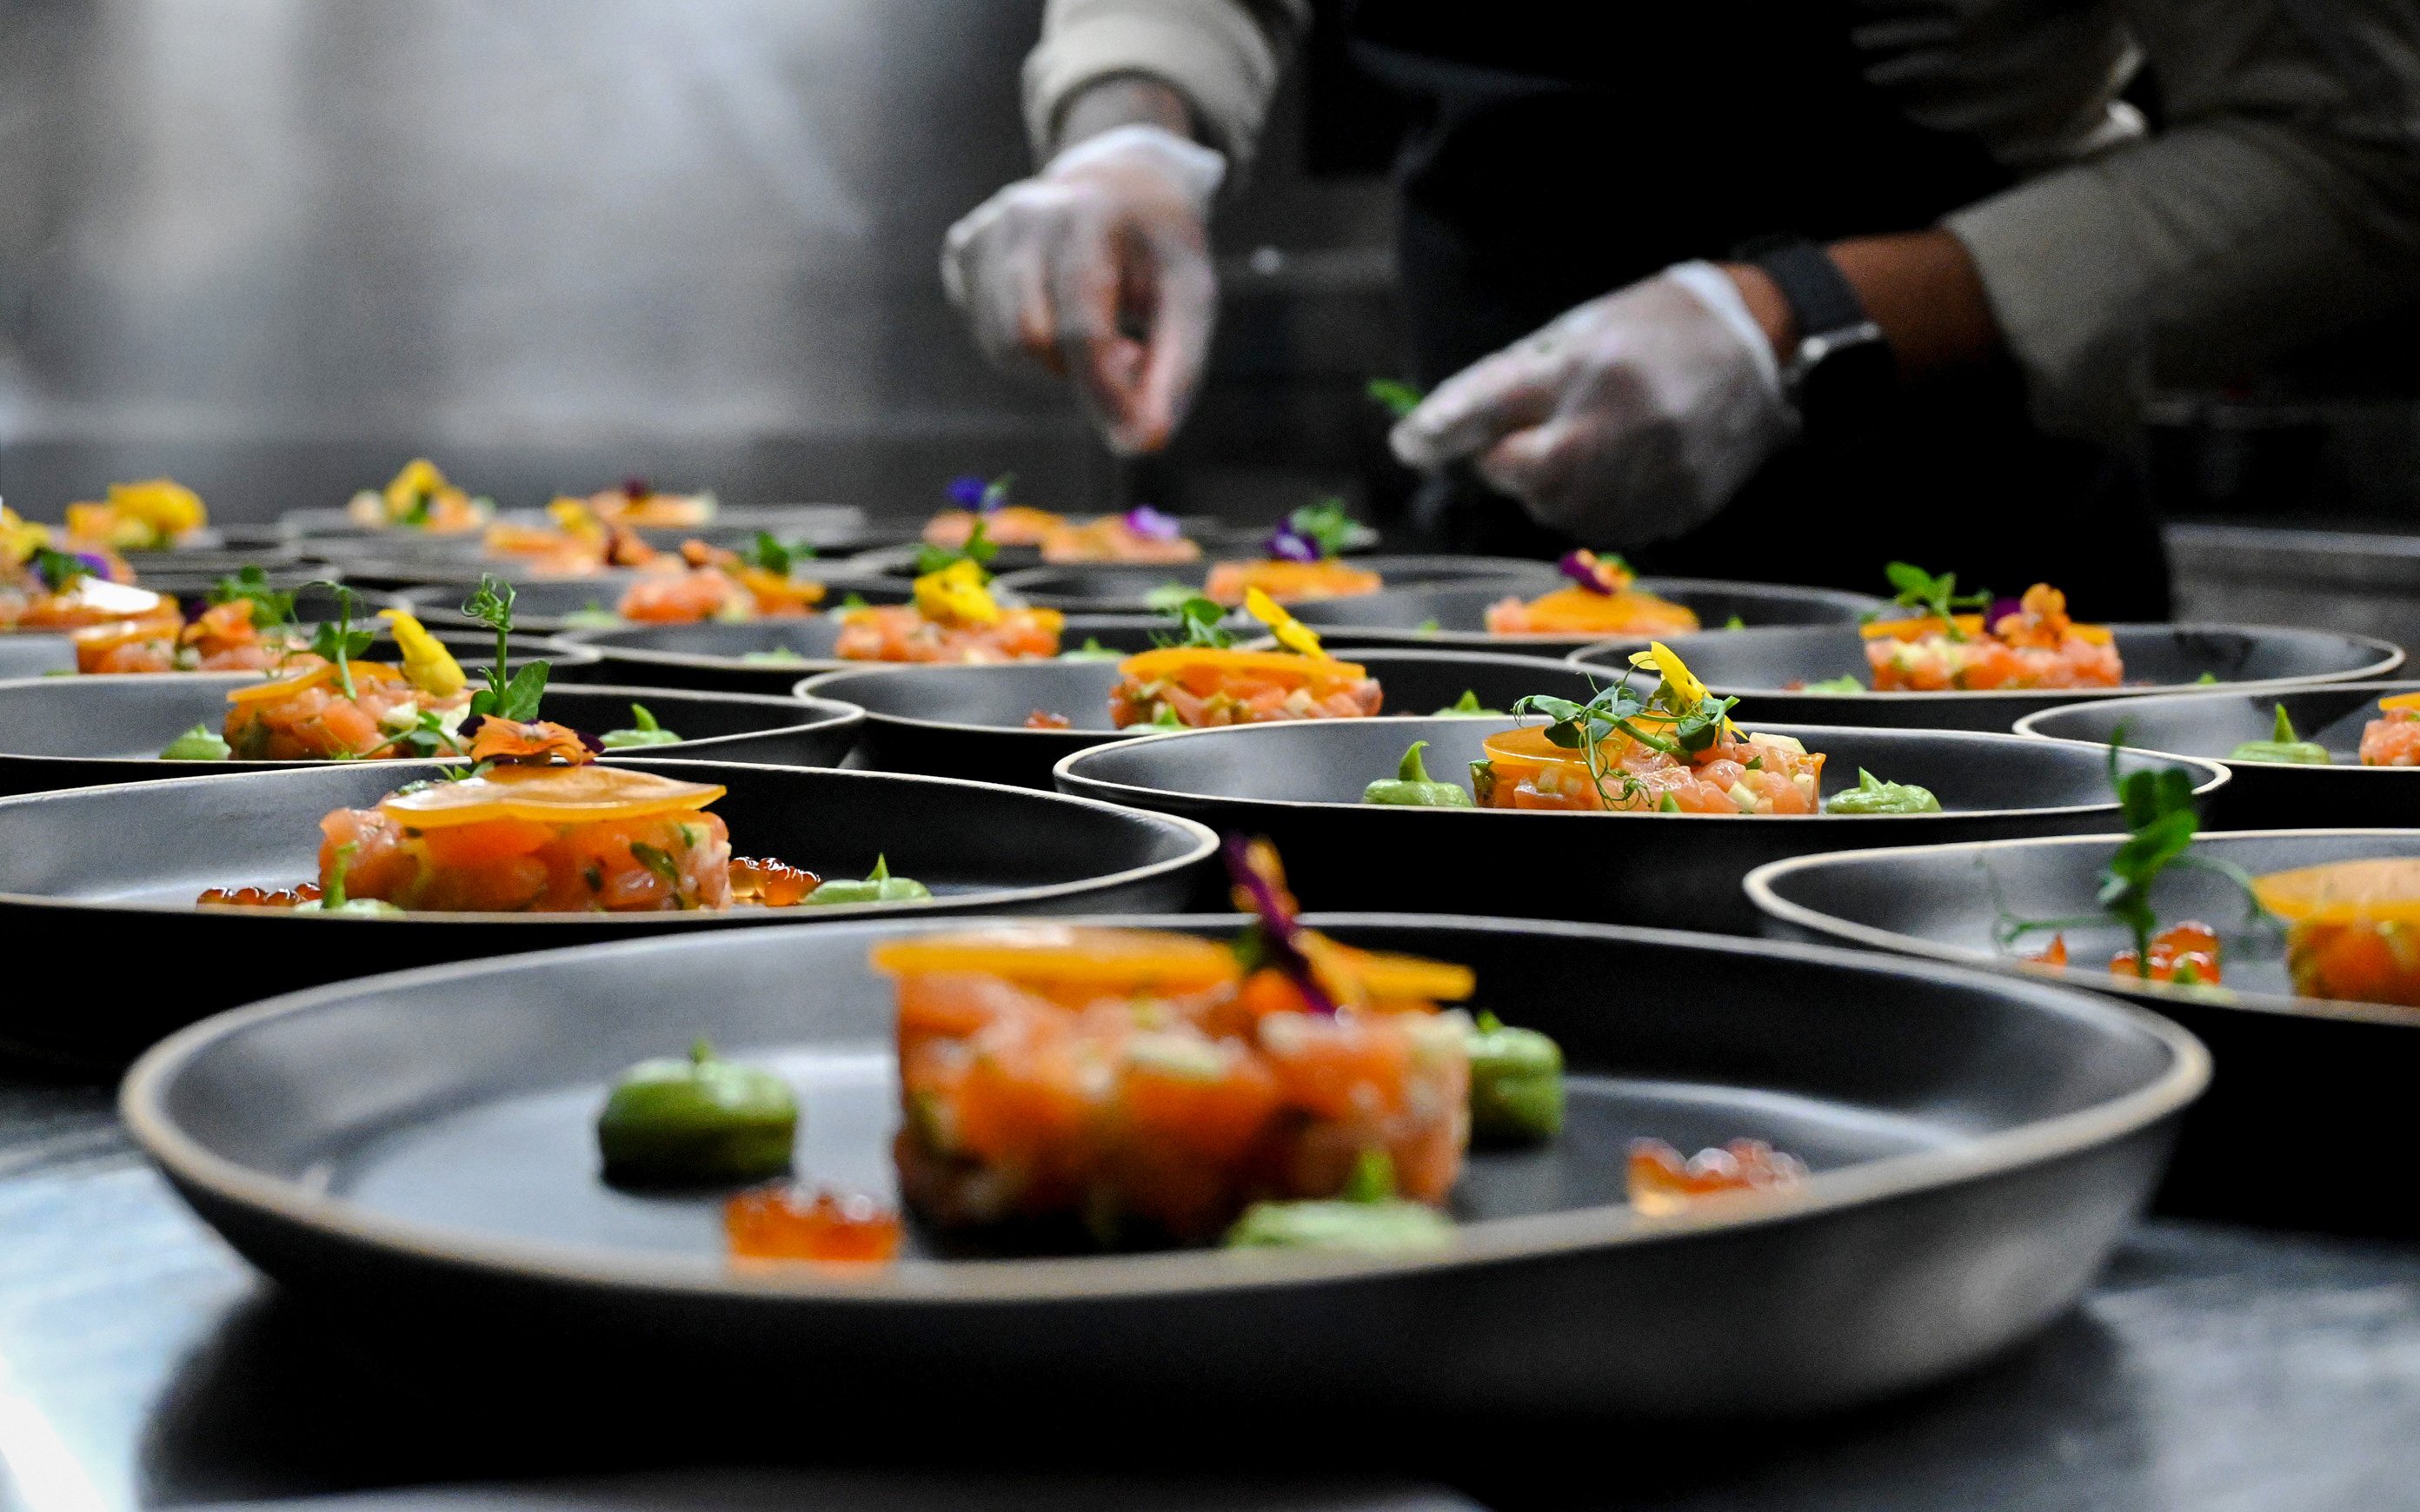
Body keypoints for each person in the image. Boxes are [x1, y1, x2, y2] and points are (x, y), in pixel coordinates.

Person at [941, 0, 2420, 617]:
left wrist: (1794, 322)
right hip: (1492, 594)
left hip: (1957, 615)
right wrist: (1130, 126)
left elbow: (2364, 154)